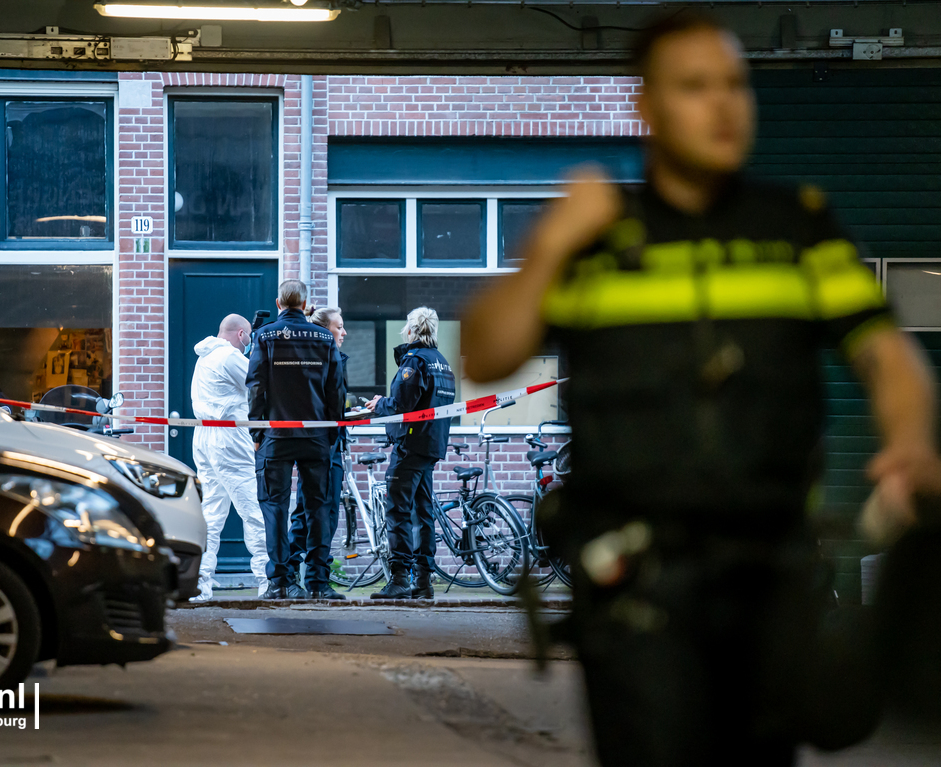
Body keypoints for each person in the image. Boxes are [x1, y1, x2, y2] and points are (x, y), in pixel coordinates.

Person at [461, 12, 941, 767]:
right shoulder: (597, 241)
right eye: (695, 87)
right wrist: (551, 243)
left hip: (773, 571)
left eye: (734, 86)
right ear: (647, 106)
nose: (724, 106)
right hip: (637, 583)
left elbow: (887, 355)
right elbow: (486, 353)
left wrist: (910, 441)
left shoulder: (798, 232)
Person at [247, 280, 345, 600]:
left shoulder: (264, 335)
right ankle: (318, 582)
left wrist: (257, 432)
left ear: (278, 303)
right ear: (305, 305)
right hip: (317, 436)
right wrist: (331, 431)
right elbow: (335, 389)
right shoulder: (322, 337)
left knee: (275, 507)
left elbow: (257, 386)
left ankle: (281, 582)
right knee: (318, 508)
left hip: (275, 436)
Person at [365, 307, 456, 600]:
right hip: (431, 446)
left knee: (398, 510)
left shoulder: (414, 363)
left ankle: (400, 578)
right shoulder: (443, 363)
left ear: (412, 330)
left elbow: (403, 407)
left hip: (410, 446)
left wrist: (379, 404)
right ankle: (424, 581)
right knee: (423, 512)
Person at [190, 314, 270, 601]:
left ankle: (200, 583)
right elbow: (259, 384)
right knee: (252, 510)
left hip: (205, 438)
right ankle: (266, 580)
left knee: (211, 512)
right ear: (241, 335)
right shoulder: (228, 358)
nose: (249, 342)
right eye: (248, 337)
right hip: (229, 440)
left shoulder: (204, 358)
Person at [286, 306, 349, 598]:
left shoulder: (332, 357)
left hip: (327, 442)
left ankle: (305, 576)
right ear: (325, 331)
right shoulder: (321, 358)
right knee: (318, 513)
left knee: (315, 513)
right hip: (323, 444)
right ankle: (313, 581)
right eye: (339, 327)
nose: (344, 333)